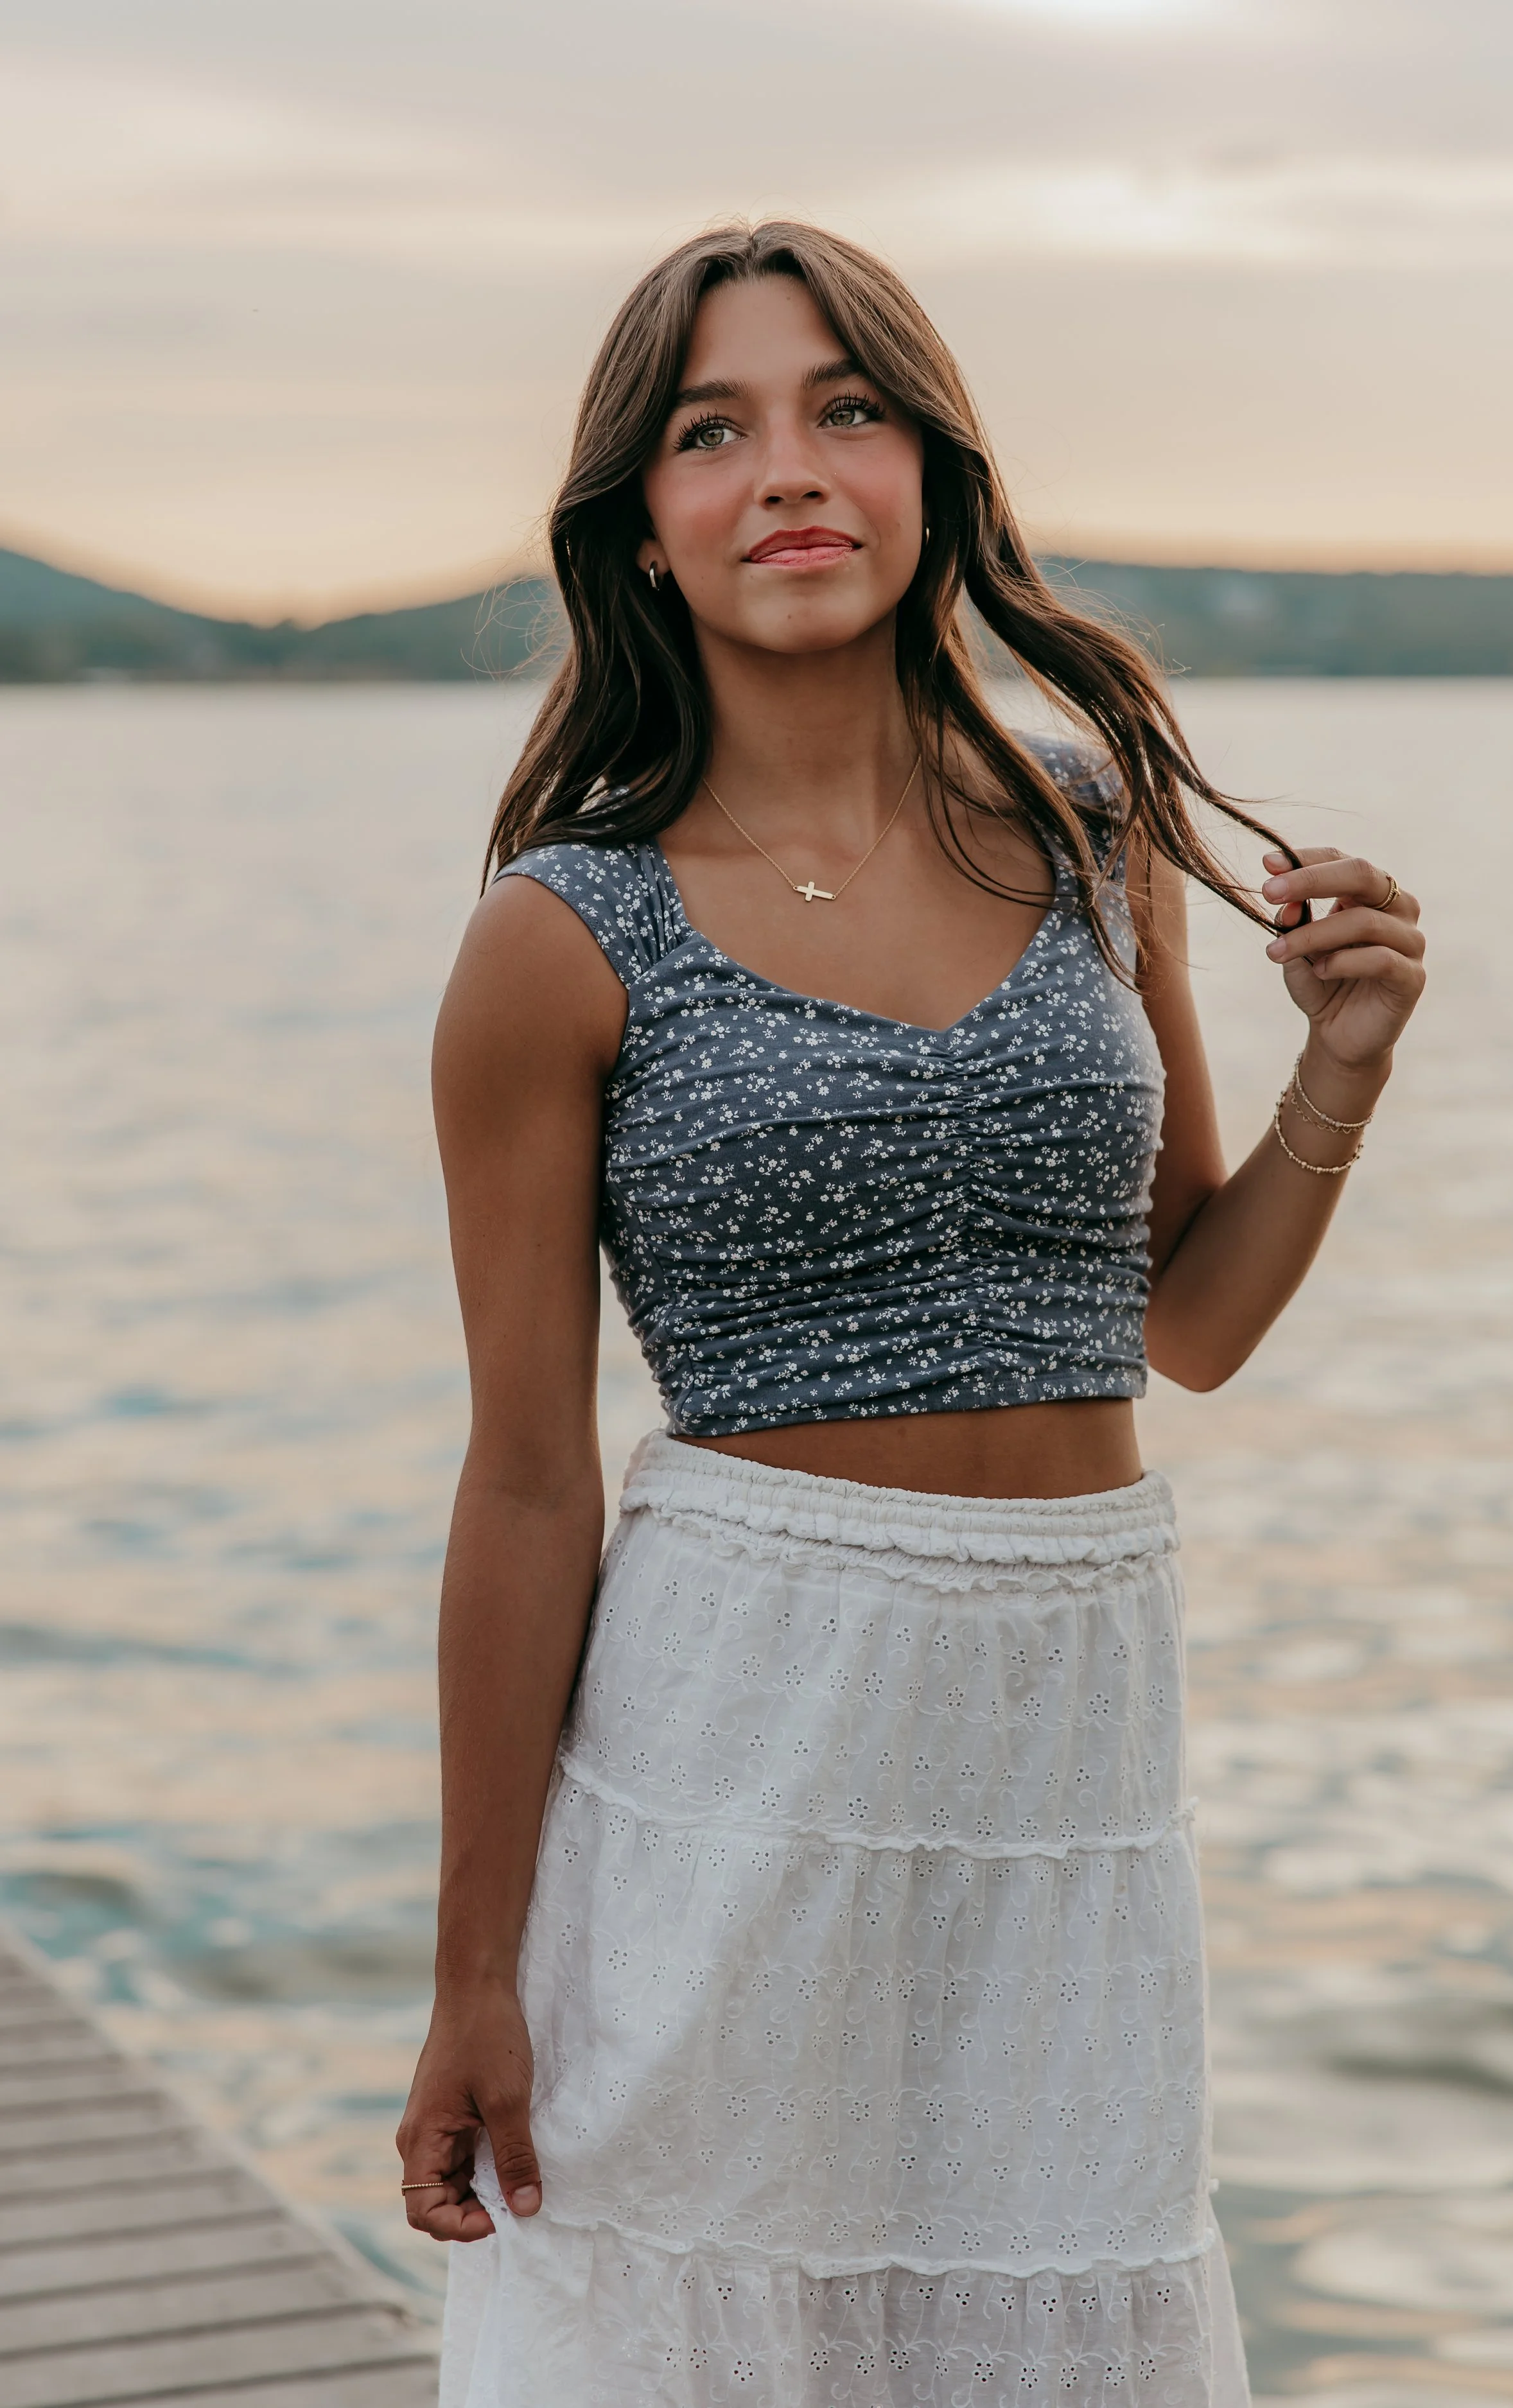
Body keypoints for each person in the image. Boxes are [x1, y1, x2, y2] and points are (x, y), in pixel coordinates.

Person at [398, 222, 1426, 2407]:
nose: (788, 468)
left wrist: (1343, 1067)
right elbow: (519, 1475)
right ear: (641, 527)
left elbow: (1184, 1326)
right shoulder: (558, 936)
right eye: (713, 428)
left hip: (1065, 1737)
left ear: (932, 476)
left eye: (844, 407)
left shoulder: (1085, 827)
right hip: (732, 1732)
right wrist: (471, 1970)